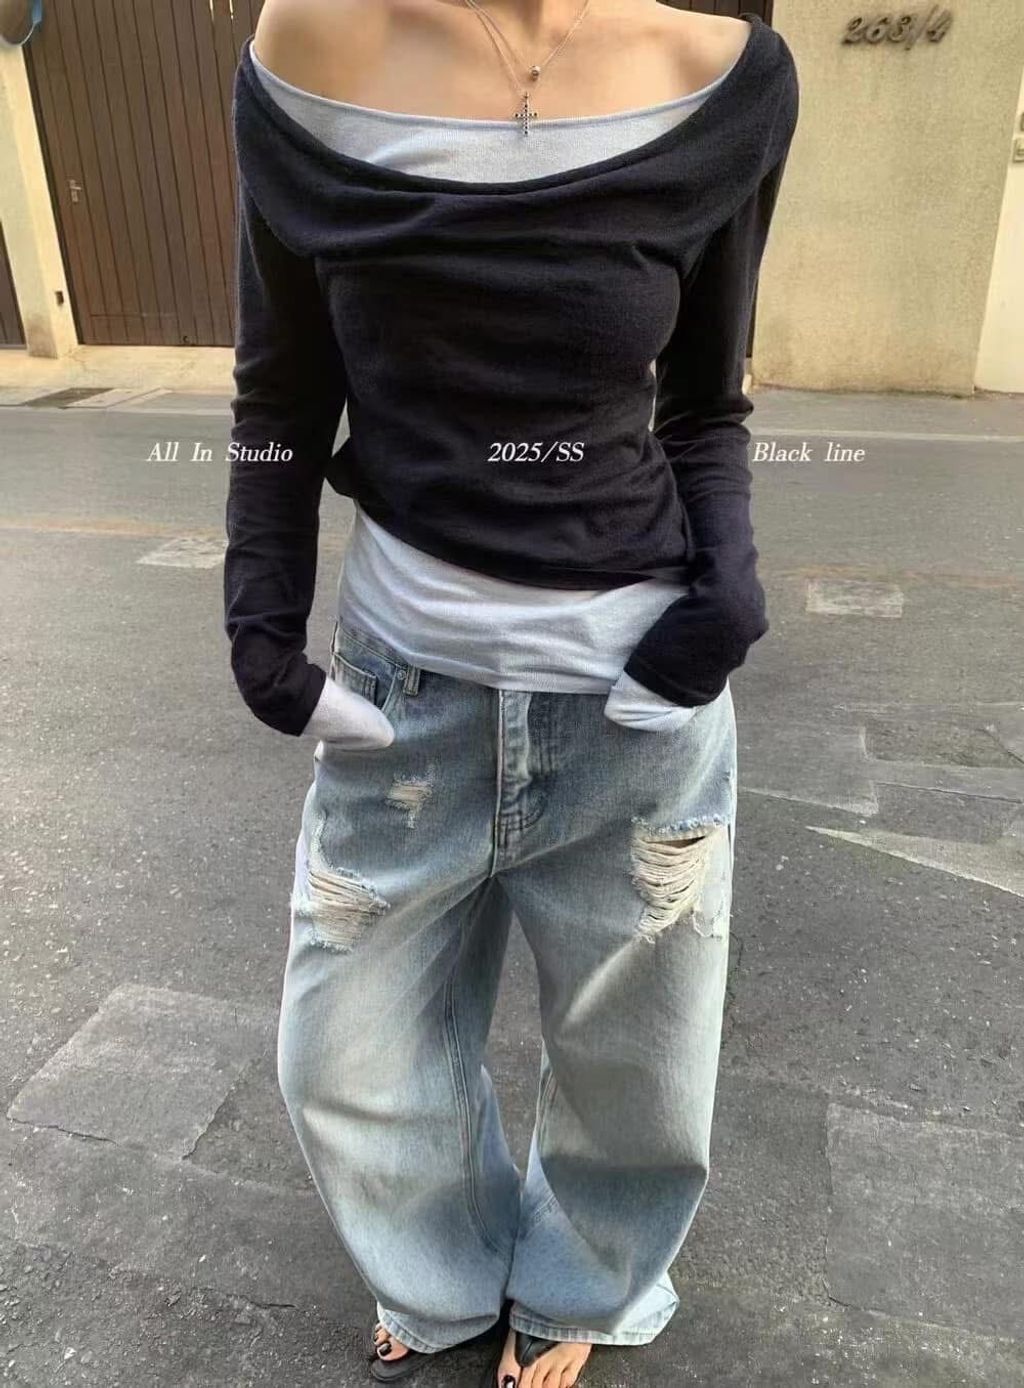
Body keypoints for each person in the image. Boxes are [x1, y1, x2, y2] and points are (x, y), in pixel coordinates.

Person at [224, 2, 798, 1384]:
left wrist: (727, 592)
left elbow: (704, 404)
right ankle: (437, 1264)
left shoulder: (721, 77)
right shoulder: (307, 49)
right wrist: (260, 631)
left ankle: (583, 1283)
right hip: (401, 700)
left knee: (637, 1070)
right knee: (346, 1058)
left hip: (636, 706)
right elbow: (281, 394)